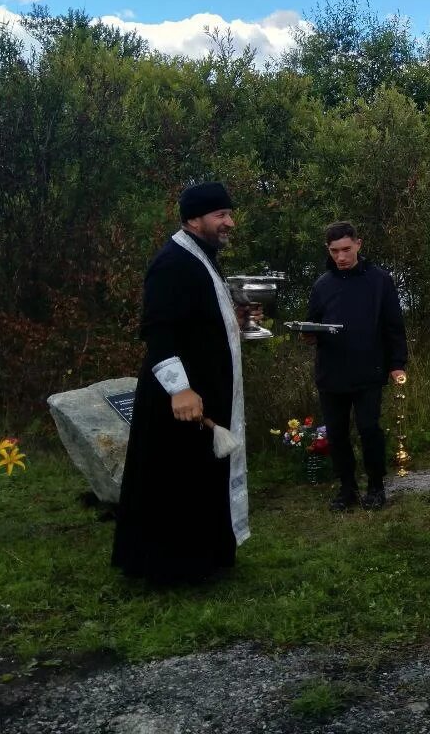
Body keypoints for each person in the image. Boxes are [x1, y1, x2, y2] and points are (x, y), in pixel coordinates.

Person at [112, 182, 253, 584]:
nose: (230, 222)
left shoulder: (201, 257)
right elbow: (159, 331)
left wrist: (236, 323)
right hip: (178, 399)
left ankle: (204, 558)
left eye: (229, 213)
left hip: (204, 392)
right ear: (194, 218)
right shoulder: (172, 262)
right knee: (173, 480)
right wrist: (180, 389)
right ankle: (169, 568)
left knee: (200, 476)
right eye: (220, 215)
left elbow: (198, 323)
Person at [305, 221, 408, 512]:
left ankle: (376, 487)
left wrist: (397, 363)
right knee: (336, 433)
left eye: (346, 249)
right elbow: (312, 323)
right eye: (335, 251)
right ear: (329, 250)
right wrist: (309, 334)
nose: (341, 257)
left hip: (369, 370)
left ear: (359, 245)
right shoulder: (322, 284)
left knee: (368, 429)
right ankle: (346, 488)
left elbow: (393, 326)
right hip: (331, 372)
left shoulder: (380, 280)